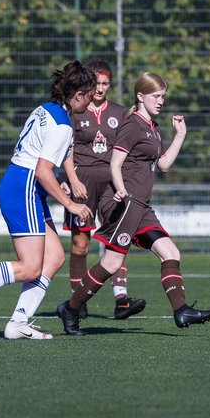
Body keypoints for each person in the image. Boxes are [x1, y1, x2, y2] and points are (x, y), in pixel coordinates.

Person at [0, 61, 97, 340]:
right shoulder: (63, 126)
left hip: (23, 184)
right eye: (90, 93)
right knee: (30, 267)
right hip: (24, 186)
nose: (93, 99)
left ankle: (18, 322)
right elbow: (42, 170)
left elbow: (40, 160)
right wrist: (70, 204)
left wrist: (56, 178)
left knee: (56, 257)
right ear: (79, 95)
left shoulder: (46, 110)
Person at [54, 71, 210, 334]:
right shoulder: (132, 125)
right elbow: (115, 163)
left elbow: (163, 164)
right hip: (124, 202)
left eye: (163, 96)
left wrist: (180, 135)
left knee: (171, 253)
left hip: (141, 206)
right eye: (156, 96)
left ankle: (182, 311)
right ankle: (70, 308)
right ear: (140, 96)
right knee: (111, 264)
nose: (161, 101)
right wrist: (120, 190)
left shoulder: (153, 128)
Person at [61, 57, 147, 320]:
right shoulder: (76, 110)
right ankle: (79, 298)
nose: (100, 88)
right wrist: (67, 179)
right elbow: (64, 146)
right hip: (82, 182)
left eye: (105, 83)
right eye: (96, 83)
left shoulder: (120, 113)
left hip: (112, 182)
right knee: (80, 245)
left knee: (116, 241)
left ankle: (121, 300)